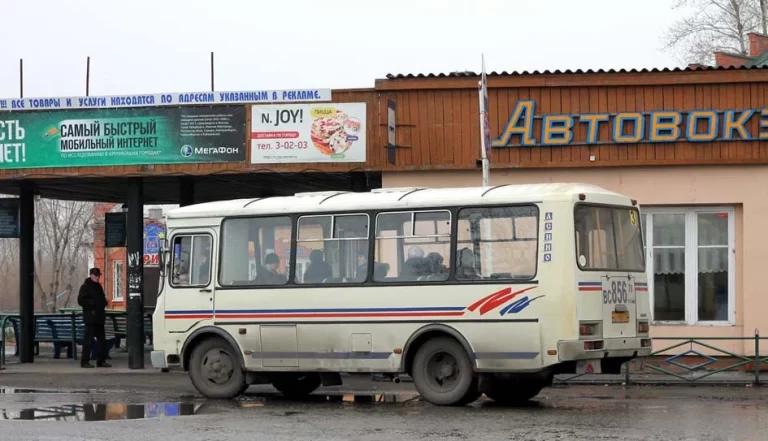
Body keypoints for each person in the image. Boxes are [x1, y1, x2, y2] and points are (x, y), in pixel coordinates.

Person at [77, 268, 111, 368]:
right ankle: (85, 361)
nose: (97, 277)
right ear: (91, 275)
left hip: (99, 317)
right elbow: (80, 301)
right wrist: (91, 303)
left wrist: (104, 303)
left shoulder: (98, 286)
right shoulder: (85, 287)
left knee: (102, 341)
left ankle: (101, 360)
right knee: (88, 340)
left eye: (98, 275)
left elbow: (102, 298)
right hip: (90, 318)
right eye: (95, 275)